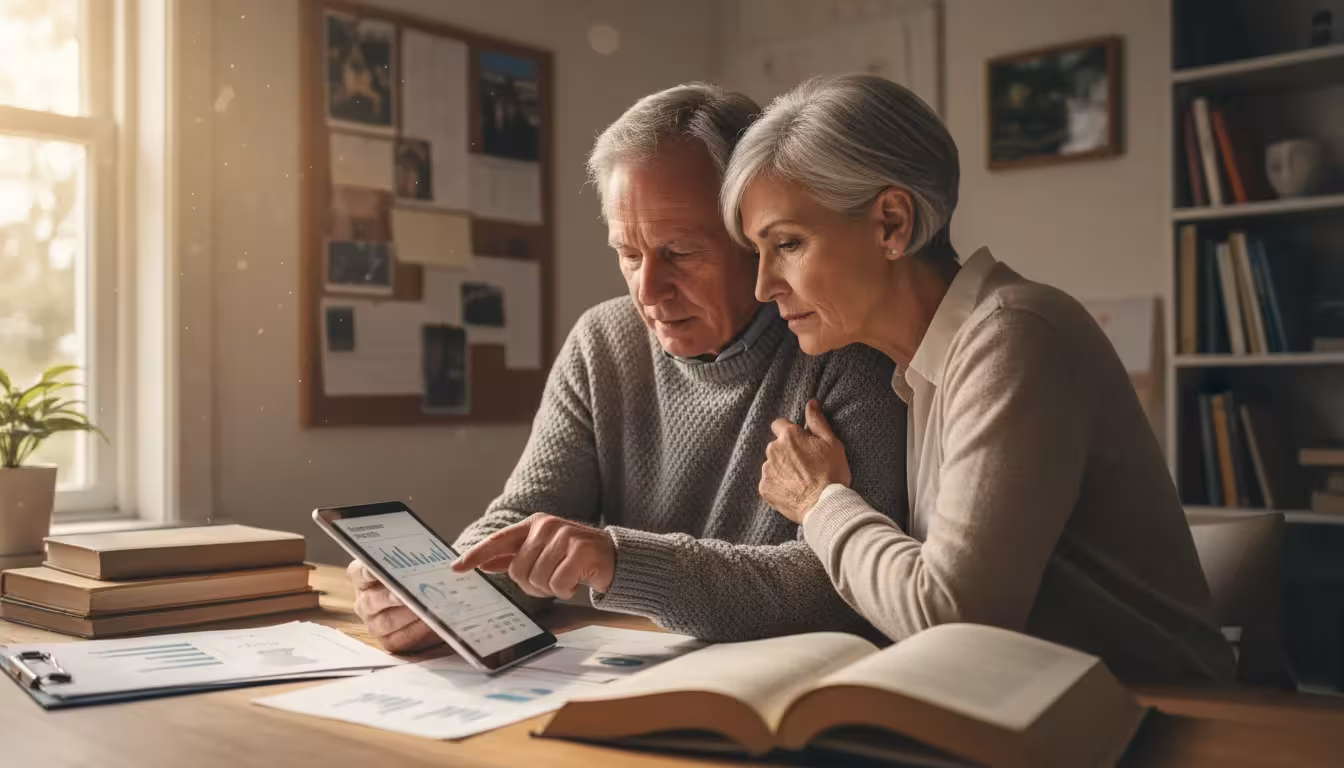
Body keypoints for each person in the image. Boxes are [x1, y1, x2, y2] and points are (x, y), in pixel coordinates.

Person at [349, 83, 908, 652]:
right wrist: (441, 592)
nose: (649, 291)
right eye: (629, 254)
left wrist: (618, 561)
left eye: (682, 253)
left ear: (754, 234)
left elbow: (841, 587)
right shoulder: (603, 341)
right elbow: (524, 519)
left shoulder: (851, 348)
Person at [721, 73, 1235, 683]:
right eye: (759, 252)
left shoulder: (1013, 337)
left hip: (1164, 719)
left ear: (891, 224)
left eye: (788, 243)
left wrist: (819, 502)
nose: (762, 286)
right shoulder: (930, 364)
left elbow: (953, 618)